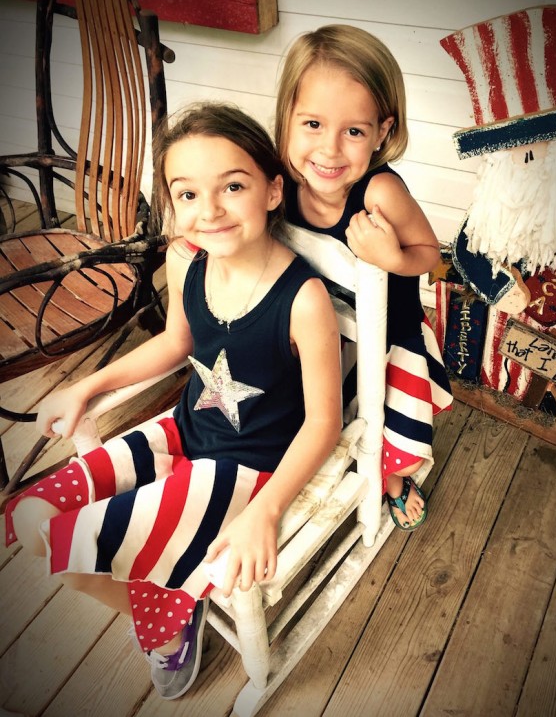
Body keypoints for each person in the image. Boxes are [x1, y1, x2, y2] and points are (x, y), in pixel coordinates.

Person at [5, 102, 342, 700]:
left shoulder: (303, 298)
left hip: (245, 471)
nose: (208, 210)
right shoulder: (191, 265)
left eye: (232, 186)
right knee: (33, 520)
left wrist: (266, 512)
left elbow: (322, 423)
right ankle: (167, 597)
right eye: (187, 194)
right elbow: (176, 342)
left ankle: (166, 621)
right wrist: (88, 385)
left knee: (70, 545)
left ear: (271, 191)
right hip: (182, 432)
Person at [275, 24, 453, 532]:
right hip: (319, 332)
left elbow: (430, 253)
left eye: (353, 131)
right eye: (312, 123)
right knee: (315, 407)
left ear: (382, 131)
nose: (330, 151)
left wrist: (391, 256)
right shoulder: (280, 184)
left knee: (386, 425)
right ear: (287, 116)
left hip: (387, 339)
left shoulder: (379, 194)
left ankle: (394, 480)